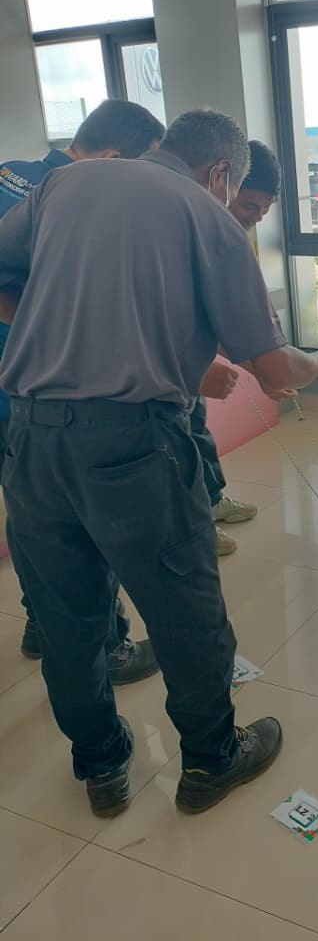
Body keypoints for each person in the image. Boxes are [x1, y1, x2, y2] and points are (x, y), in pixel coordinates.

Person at [0, 110, 318, 817]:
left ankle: (101, 766)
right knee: (183, 608)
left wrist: (47, 318)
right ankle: (212, 761)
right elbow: (273, 369)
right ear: (221, 172)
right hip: (132, 445)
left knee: (67, 618)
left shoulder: (63, 185)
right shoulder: (208, 218)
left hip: (31, 439)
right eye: (238, 192)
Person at [0, 99, 166, 682]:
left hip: (18, 388)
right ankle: (106, 645)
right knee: (82, 520)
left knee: (31, 514)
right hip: (35, 388)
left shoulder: (14, 173)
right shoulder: (69, 197)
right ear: (113, 158)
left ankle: (42, 621)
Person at [189, 139, 283, 557]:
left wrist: (264, 370)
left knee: (196, 431)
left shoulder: (230, 237)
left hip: (192, 360)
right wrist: (193, 365)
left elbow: (233, 316)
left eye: (265, 209)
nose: (256, 217)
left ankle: (211, 501)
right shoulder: (186, 230)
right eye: (250, 206)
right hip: (165, 369)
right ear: (222, 183)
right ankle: (194, 528)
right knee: (178, 446)